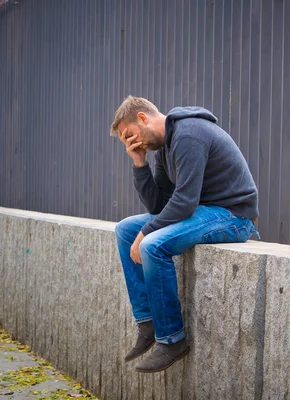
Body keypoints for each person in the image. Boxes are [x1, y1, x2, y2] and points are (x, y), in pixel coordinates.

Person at [111, 96, 259, 373]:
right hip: (204, 212)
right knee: (125, 229)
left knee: (152, 244)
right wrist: (139, 162)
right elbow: (158, 206)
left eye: (130, 136)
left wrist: (148, 232)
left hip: (233, 216)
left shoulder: (189, 135)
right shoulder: (164, 149)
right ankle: (147, 322)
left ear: (143, 118)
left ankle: (171, 340)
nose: (131, 143)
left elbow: (185, 201)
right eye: (126, 142)